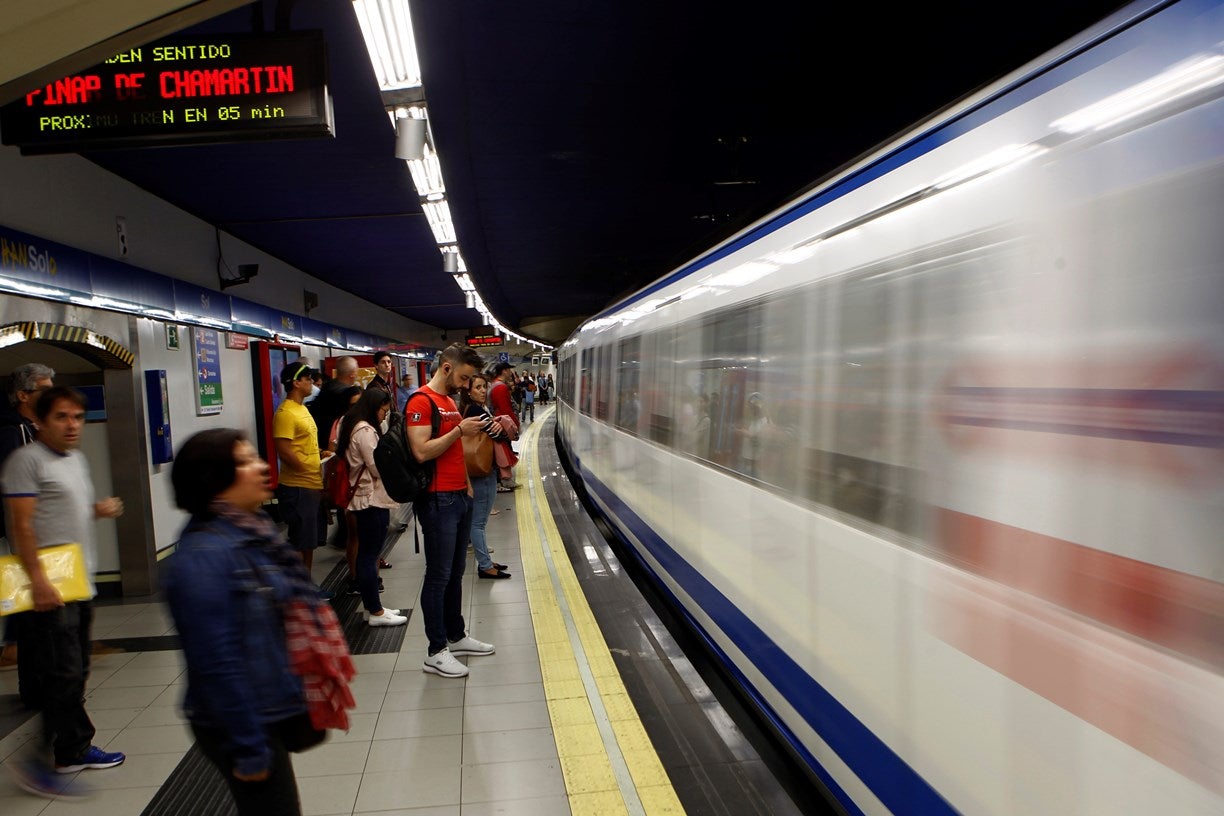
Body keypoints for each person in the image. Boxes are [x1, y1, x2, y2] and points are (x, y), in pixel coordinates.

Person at [163, 429, 355, 816]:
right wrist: (248, 745)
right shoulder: (204, 556)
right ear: (214, 479)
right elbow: (215, 663)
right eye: (246, 461)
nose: (262, 466)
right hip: (240, 718)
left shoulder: (252, 533)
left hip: (265, 704)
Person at [3, 386, 125, 798]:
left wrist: (97, 510)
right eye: (61, 417)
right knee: (63, 674)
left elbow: (62, 512)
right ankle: (41, 760)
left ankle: (73, 748)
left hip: (78, 581)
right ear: (39, 420)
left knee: (75, 671)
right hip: (49, 586)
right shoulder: (26, 462)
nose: (72, 425)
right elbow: (22, 526)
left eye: (77, 417)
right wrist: (37, 580)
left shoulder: (74, 458)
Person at [404, 344, 496, 678]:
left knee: (456, 572)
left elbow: (455, 451)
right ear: (446, 368)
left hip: (459, 496)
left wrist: (468, 489)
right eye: (463, 376)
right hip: (437, 500)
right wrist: (459, 430)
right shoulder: (421, 401)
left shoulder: (450, 403)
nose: (465, 383)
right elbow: (420, 451)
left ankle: (456, 636)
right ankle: (435, 650)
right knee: (438, 575)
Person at [0, 363, 54, 695]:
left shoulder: (35, 429)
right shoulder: (14, 434)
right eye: (44, 391)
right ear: (23, 395)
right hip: (20, 532)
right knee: (26, 597)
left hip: (31, 532)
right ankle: (29, 675)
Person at [334, 388, 405, 625]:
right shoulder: (364, 431)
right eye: (384, 410)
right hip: (369, 499)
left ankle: (373, 607)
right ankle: (375, 612)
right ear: (375, 406)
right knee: (369, 555)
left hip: (364, 498)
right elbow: (376, 466)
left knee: (368, 553)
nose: (385, 415)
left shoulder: (350, 423)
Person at [273, 362, 329, 580]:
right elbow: (284, 451)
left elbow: (303, 444)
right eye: (307, 379)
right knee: (299, 542)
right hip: (298, 487)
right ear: (296, 383)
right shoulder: (286, 413)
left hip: (311, 485)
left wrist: (321, 453)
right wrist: (306, 470)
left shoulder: (302, 408)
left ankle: (307, 587)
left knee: (308, 542)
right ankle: (298, 590)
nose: (312, 383)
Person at [457, 374, 511, 580]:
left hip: (484, 470)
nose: (482, 390)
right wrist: (500, 428)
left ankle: (486, 560)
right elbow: (499, 435)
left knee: (479, 521)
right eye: (477, 387)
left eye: (484, 387)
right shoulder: (476, 410)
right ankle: (485, 566)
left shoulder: (479, 409)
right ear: (468, 391)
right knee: (478, 523)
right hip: (482, 471)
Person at [487, 362, 519, 490]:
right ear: (504, 371)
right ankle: (503, 480)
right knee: (503, 452)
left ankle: (501, 480)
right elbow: (506, 409)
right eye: (509, 370)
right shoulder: (500, 387)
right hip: (502, 425)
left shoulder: (494, 385)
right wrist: (514, 425)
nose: (511, 373)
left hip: (498, 423)